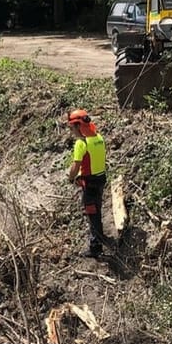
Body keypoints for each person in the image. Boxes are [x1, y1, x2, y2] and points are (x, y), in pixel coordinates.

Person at [67, 108, 110, 258]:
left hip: (90, 182)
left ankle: (95, 247)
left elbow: (76, 165)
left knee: (92, 213)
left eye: (72, 127)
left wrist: (71, 177)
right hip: (100, 178)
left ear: (78, 125)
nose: (71, 131)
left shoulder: (81, 143)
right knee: (97, 209)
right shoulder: (98, 137)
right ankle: (101, 236)